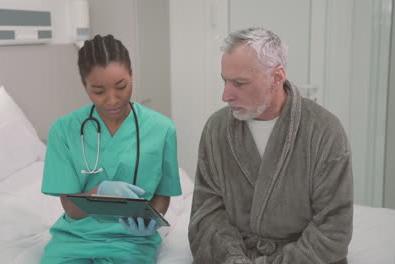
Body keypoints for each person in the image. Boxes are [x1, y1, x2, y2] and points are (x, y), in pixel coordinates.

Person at [188, 27, 353, 263]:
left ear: (276, 77)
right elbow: (206, 215)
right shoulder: (216, 129)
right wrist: (234, 258)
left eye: (239, 83)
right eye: (224, 81)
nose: (226, 95)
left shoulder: (324, 131)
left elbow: (333, 229)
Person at [40, 34, 182, 264]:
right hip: (75, 239)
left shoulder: (162, 129)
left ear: (132, 76)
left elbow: (162, 196)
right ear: (84, 86)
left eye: (121, 86)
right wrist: (99, 192)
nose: (112, 99)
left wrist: (150, 222)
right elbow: (72, 210)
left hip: (133, 242)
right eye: (99, 91)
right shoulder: (63, 130)